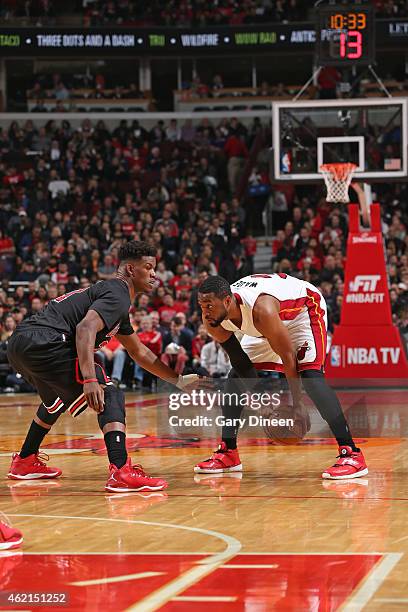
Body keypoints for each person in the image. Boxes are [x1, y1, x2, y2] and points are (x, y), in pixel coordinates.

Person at [6, 241, 204, 493]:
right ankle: (121, 470)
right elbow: (85, 328)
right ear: (131, 270)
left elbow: (138, 351)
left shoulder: (113, 300)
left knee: (54, 400)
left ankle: (25, 460)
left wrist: (178, 380)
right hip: (46, 340)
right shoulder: (118, 292)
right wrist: (90, 378)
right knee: (109, 392)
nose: (154, 273)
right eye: (148, 267)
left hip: (21, 343)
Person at [195, 274, 368, 480]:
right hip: (265, 325)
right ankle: (228, 452)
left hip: (302, 312)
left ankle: (351, 453)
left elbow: (288, 357)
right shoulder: (213, 319)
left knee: (311, 378)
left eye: (209, 305)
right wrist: (262, 404)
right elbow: (240, 362)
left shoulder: (261, 310)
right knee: (234, 380)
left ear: (227, 301)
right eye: (201, 305)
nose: (205, 312)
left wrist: (297, 404)